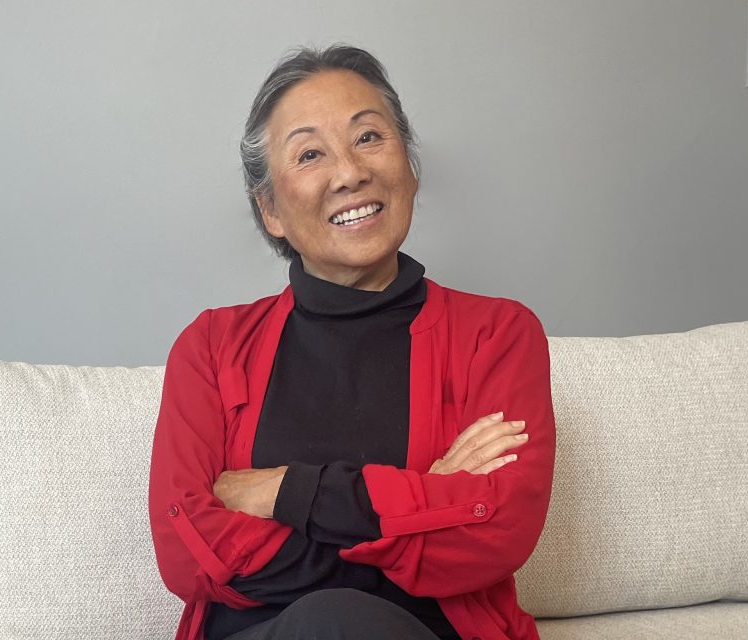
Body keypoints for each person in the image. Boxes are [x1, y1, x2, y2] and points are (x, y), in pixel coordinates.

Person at [148, 44, 556, 640]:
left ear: (409, 168)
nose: (350, 172)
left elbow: (497, 529)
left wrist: (285, 490)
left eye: (369, 137)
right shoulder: (211, 345)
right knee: (329, 618)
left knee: (338, 618)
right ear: (271, 211)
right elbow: (187, 550)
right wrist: (420, 503)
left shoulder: (497, 333)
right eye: (310, 153)